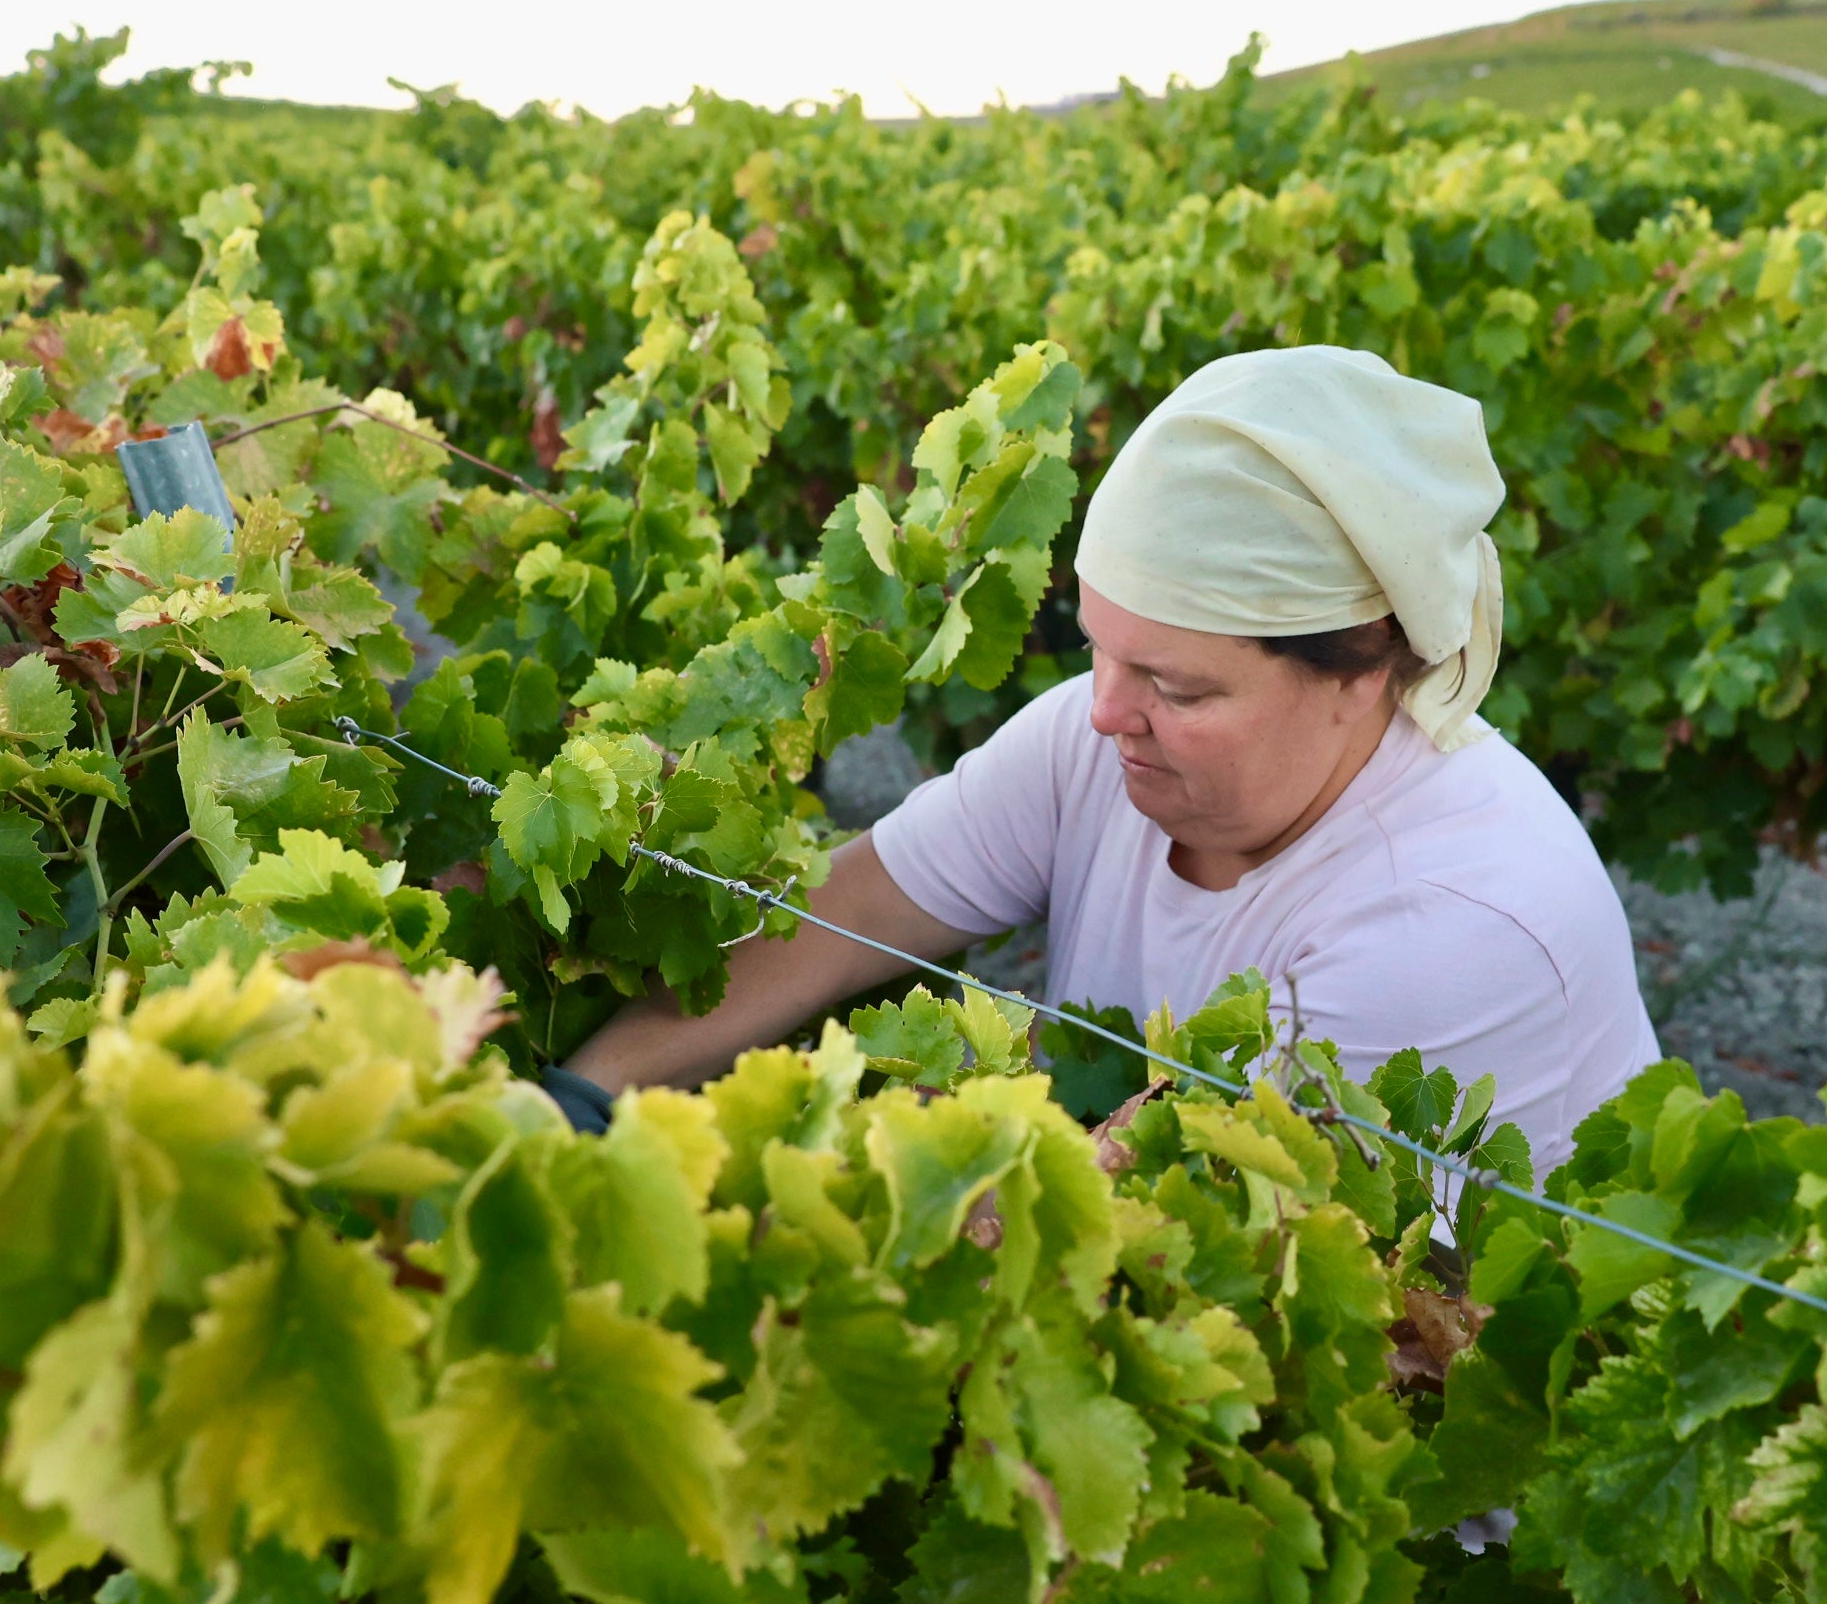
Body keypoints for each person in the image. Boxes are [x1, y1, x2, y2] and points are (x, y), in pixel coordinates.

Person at [563, 345, 1659, 1171]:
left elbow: (1184, 1248)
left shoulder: (1444, 925)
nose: (1103, 712)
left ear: (1361, 669)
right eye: (1098, 650)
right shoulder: (1106, 742)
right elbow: (844, 923)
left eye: (1178, 686)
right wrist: (583, 1092)